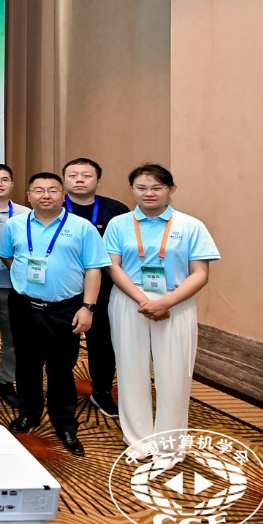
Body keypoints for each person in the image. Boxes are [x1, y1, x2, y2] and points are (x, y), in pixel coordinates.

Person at [105, 164, 219, 460]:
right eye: (141, 188)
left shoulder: (191, 225)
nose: (149, 193)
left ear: (171, 189)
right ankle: (138, 439)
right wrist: (144, 300)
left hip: (176, 301)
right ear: (132, 190)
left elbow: (200, 274)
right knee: (131, 369)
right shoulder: (119, 224)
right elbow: (113, 268)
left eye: (157, 188)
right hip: (129, 299)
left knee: (175, 373)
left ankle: (169, 444)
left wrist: (166, 302)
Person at [0, 172, 109, 457]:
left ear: (63, 195)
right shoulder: (14, 225)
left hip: (65, 308)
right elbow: (7, 256)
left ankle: (64, 423)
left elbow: (94, 268)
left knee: (61, 368)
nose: (45, 195)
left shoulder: (82, 227)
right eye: (38, 190)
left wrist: (88, 307)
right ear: (28, 195)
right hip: (24, 305)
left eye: (52, 190)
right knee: (27, 365)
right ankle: (29, 413)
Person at [62, 157, 130, 419]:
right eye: (73, 175)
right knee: (62, 344)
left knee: (103, 343)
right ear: (64, 180)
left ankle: (101, 390)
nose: (79, 180)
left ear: (98, 181)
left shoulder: (117, 210)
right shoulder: (55, 207)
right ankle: (61, 390)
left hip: (105, 288)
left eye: (86, 175)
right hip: (64, 287)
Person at [0, 163, 27, 408]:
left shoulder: (25, 214)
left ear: (12, 184)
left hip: (14, 288)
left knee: (13, 339)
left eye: (4, 179)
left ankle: (5, 382)